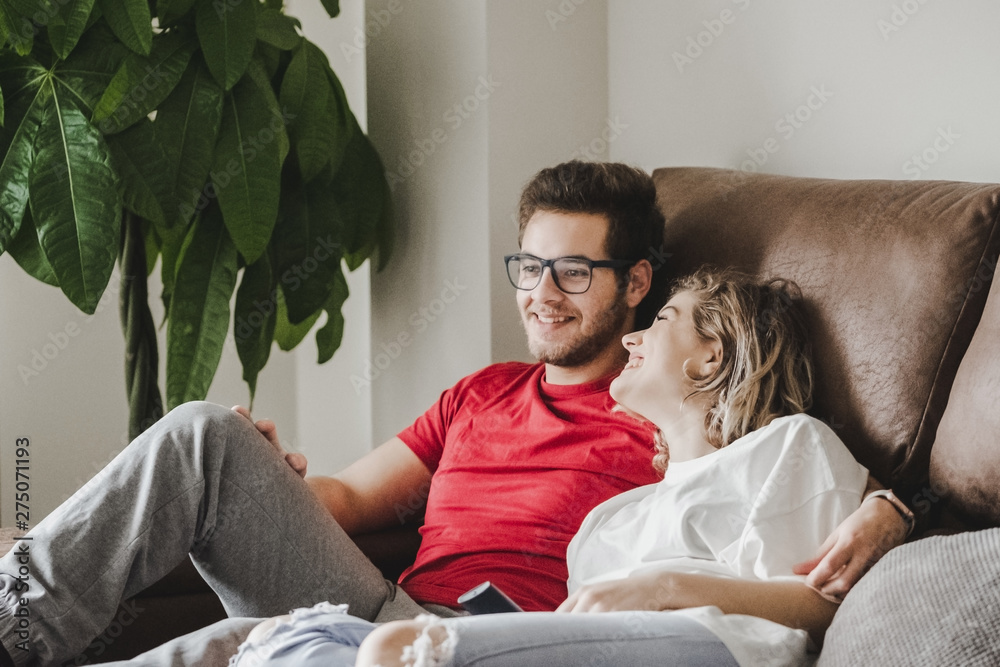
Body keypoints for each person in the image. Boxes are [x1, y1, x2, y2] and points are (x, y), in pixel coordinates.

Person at [0, 162, 906, 667]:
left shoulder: (671, 423)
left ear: (637, 284)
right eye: (528, 266)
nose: (541, 296)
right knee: (209, 433)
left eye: (573, 272)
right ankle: (12, 621)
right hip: (379, 598)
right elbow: (350, 500)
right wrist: (272, 473)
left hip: (502, 638)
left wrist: (897, 506)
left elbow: (801, 489)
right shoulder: (483, 392)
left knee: (230, 647)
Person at [230, 269, 870, 667]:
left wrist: (663, 589)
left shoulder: (790, 445)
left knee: (398, 651)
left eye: (663, 321)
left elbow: (824, 605)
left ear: (709, 361)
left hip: (720, 650)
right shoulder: (616, 517)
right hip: (583, 645)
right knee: (289, 646)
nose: (631, 338)